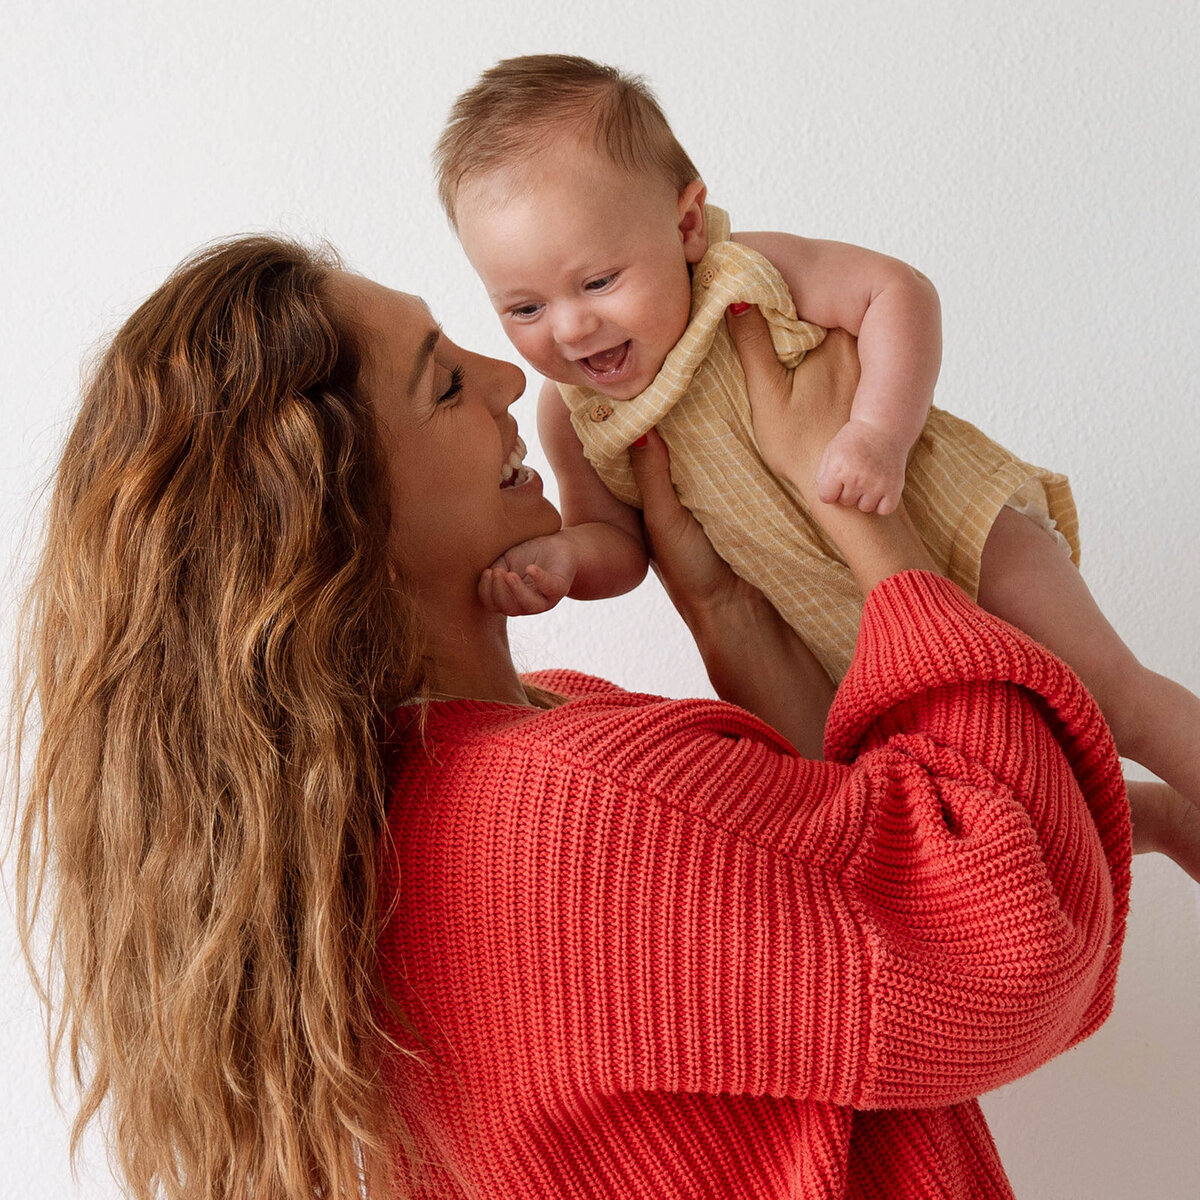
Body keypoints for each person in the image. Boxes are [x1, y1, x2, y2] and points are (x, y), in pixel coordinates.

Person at [13, 232, 1186, 1200]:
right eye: (442, 379)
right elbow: (1014, 946)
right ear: (344, 519)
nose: (512, 375)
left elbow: (861, 853)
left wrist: (726, 619)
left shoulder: (440, 793)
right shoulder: (569, 808)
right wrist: (871, 527)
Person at [433, 54, 1200, 865]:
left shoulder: (745, 277)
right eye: (525, 307)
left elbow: (895, 293)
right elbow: (617, 545)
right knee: (986, 791)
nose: (572, 328)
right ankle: (1151, 820)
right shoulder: (577, 412)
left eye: (598, 280)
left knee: (1108, 699)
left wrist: (877, 431)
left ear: (686, 225)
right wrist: (562, 559)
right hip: (841, 624)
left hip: (955, 529)